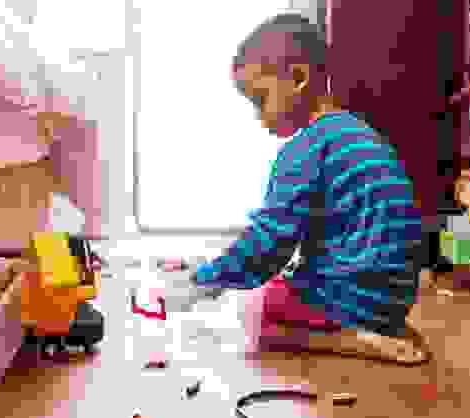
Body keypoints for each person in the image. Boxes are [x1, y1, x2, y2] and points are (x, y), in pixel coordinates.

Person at [161, 13, 428, 363]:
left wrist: (206, 281)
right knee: (282, 282)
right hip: (396, 298)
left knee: (257, 311)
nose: (259, 117)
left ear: (299, 78)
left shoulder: (305, 149)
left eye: (260, 100)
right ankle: (378, 326)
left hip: (350, 301)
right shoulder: (359, 133)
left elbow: (268, 245)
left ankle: (349, 339)